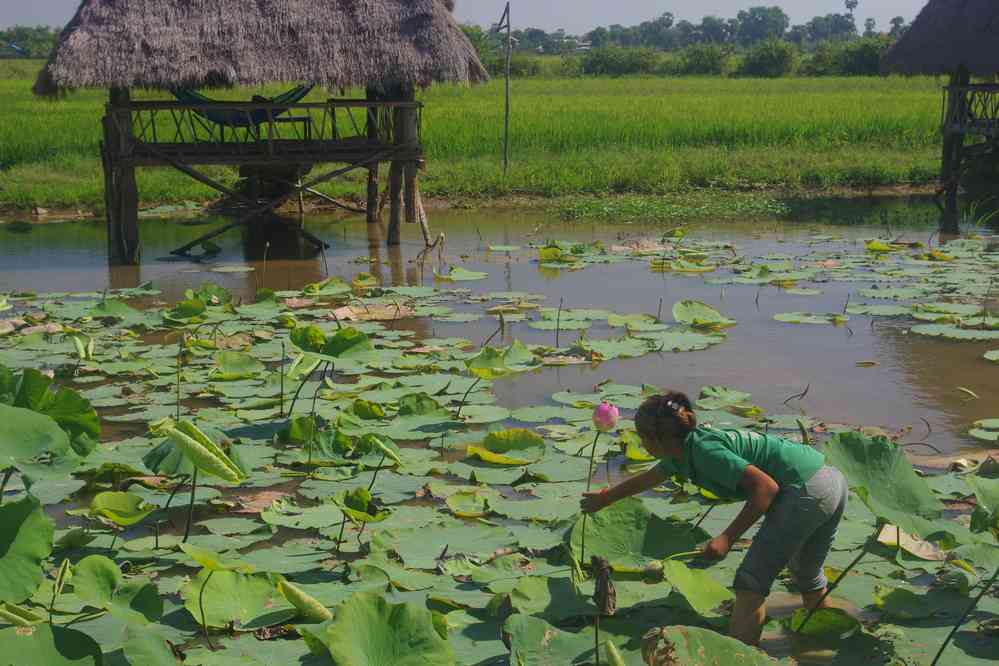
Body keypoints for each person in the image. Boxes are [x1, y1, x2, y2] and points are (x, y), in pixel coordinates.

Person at [580, 391, 848, 646]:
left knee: (750, 582)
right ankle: (825, 644)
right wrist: (606, 498)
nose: (641, 444)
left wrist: (727, 538)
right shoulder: (684, 449)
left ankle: (741, 656)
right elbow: (649, 478)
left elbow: (766, 488)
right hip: (829, 481)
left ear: (659, 440)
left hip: (803, 490)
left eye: (643, 438)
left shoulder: (705, 452)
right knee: (808, 575)